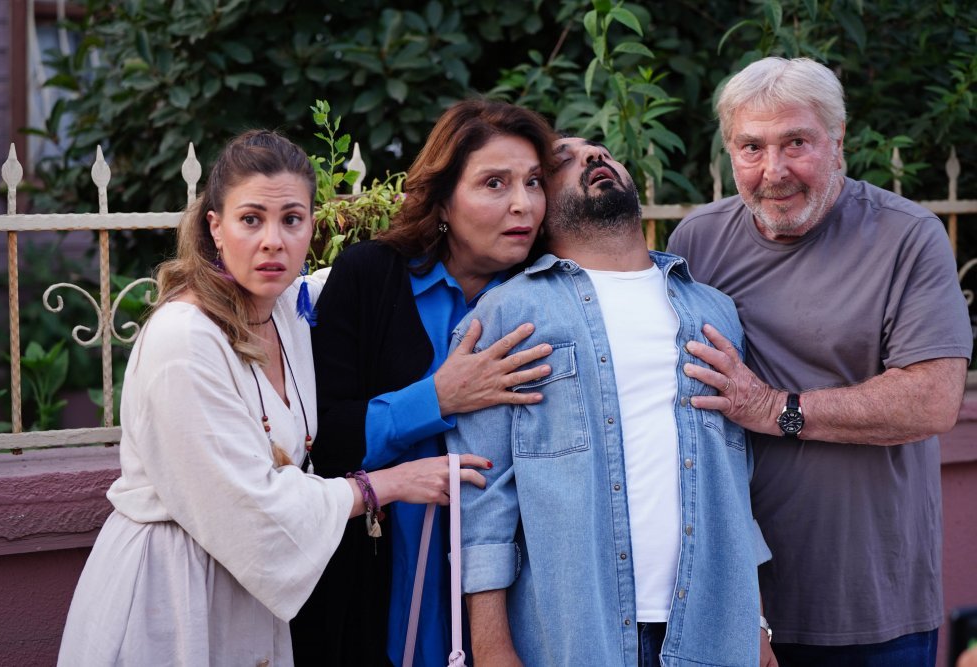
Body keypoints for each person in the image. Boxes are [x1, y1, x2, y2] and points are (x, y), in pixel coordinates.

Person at [57, 130, 489, 666]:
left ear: (311, 226)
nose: (273, 241)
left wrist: (473, 223)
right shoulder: (184, 341)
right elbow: (252, 512)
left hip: (248, 602)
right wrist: (388, 484)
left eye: (291, 219)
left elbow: (380, 273)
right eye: (251, 219)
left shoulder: (287, 309)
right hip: (173, 595)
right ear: (215, 228)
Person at [666, 57, 972, 667]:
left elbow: (934, 400)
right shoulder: (695, 242)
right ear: (730, 151)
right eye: (751, 147)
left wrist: (774, 409)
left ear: (837, 141)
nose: (774, 171)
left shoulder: (907, 237)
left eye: (796, 143)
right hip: (735, 602)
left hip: (871, 602)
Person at [446, 136, 773, 667]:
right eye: (564, 160)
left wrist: (754, 622)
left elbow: (736, 479)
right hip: (573, 635)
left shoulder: (714, 310)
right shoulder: (507, 313)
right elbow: (482, 493)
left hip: (713, 629)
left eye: (599, 150)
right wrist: (490, 644)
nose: (593, 157)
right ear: (539, 201)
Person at [290, 100, 557, 666]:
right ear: (442, 200)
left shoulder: (551, 293)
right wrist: (438, 397)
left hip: (516, 584)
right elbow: (324, 440)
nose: (523, 204)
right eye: (494, 183)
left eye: (534, 182)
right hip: (379, 571)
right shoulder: (369, 276)